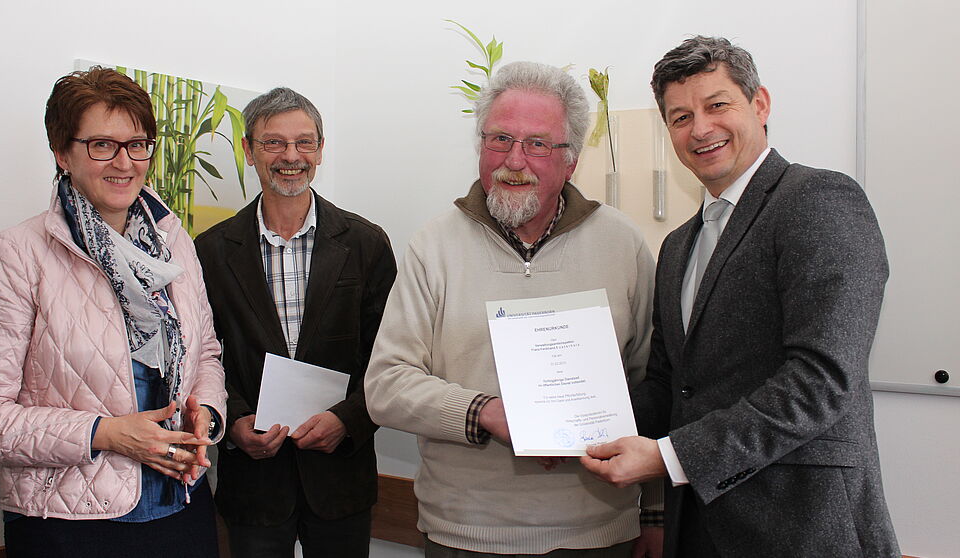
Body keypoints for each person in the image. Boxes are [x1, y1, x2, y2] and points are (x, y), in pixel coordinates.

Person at [580, 36, 900, 557]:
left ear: (760, 104)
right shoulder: (678, 246)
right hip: (698, 530)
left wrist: (670, 458)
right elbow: (669, 386)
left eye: (717, 105)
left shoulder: (818, 200)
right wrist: (574, 427)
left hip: (802, 527)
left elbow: (820, 380)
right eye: (681, 117)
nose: (700, 129)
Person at [365, 61, 662, 557]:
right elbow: (386, 385)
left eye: (538, 144)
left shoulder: (622, 244)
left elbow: (653, 386)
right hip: (465, 533)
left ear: (571, 160)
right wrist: (487, 413)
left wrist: (654, 511)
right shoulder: (434, 246)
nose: (515, 160)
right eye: (500, 139)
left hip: (600, 531)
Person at [0, 67, 226, 557]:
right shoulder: (17, 254)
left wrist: (207, 413)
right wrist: (105, 433)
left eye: (137, 144)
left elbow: (206, 354)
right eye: (102, 145)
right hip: (68, 526)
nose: (124, 162)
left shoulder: (174, 244)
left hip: (182, 508)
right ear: (62, 153)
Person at [194, 87, 396, 558]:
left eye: (304, 142)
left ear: (320, 150)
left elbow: (391, 356)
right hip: (254, 483)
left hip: (341, 479)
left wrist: (347, 420)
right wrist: (233, 421)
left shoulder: (365, 243)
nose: (291, 156)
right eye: (274, 143)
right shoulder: (210, 251)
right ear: (249, 150)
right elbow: (202, 353)